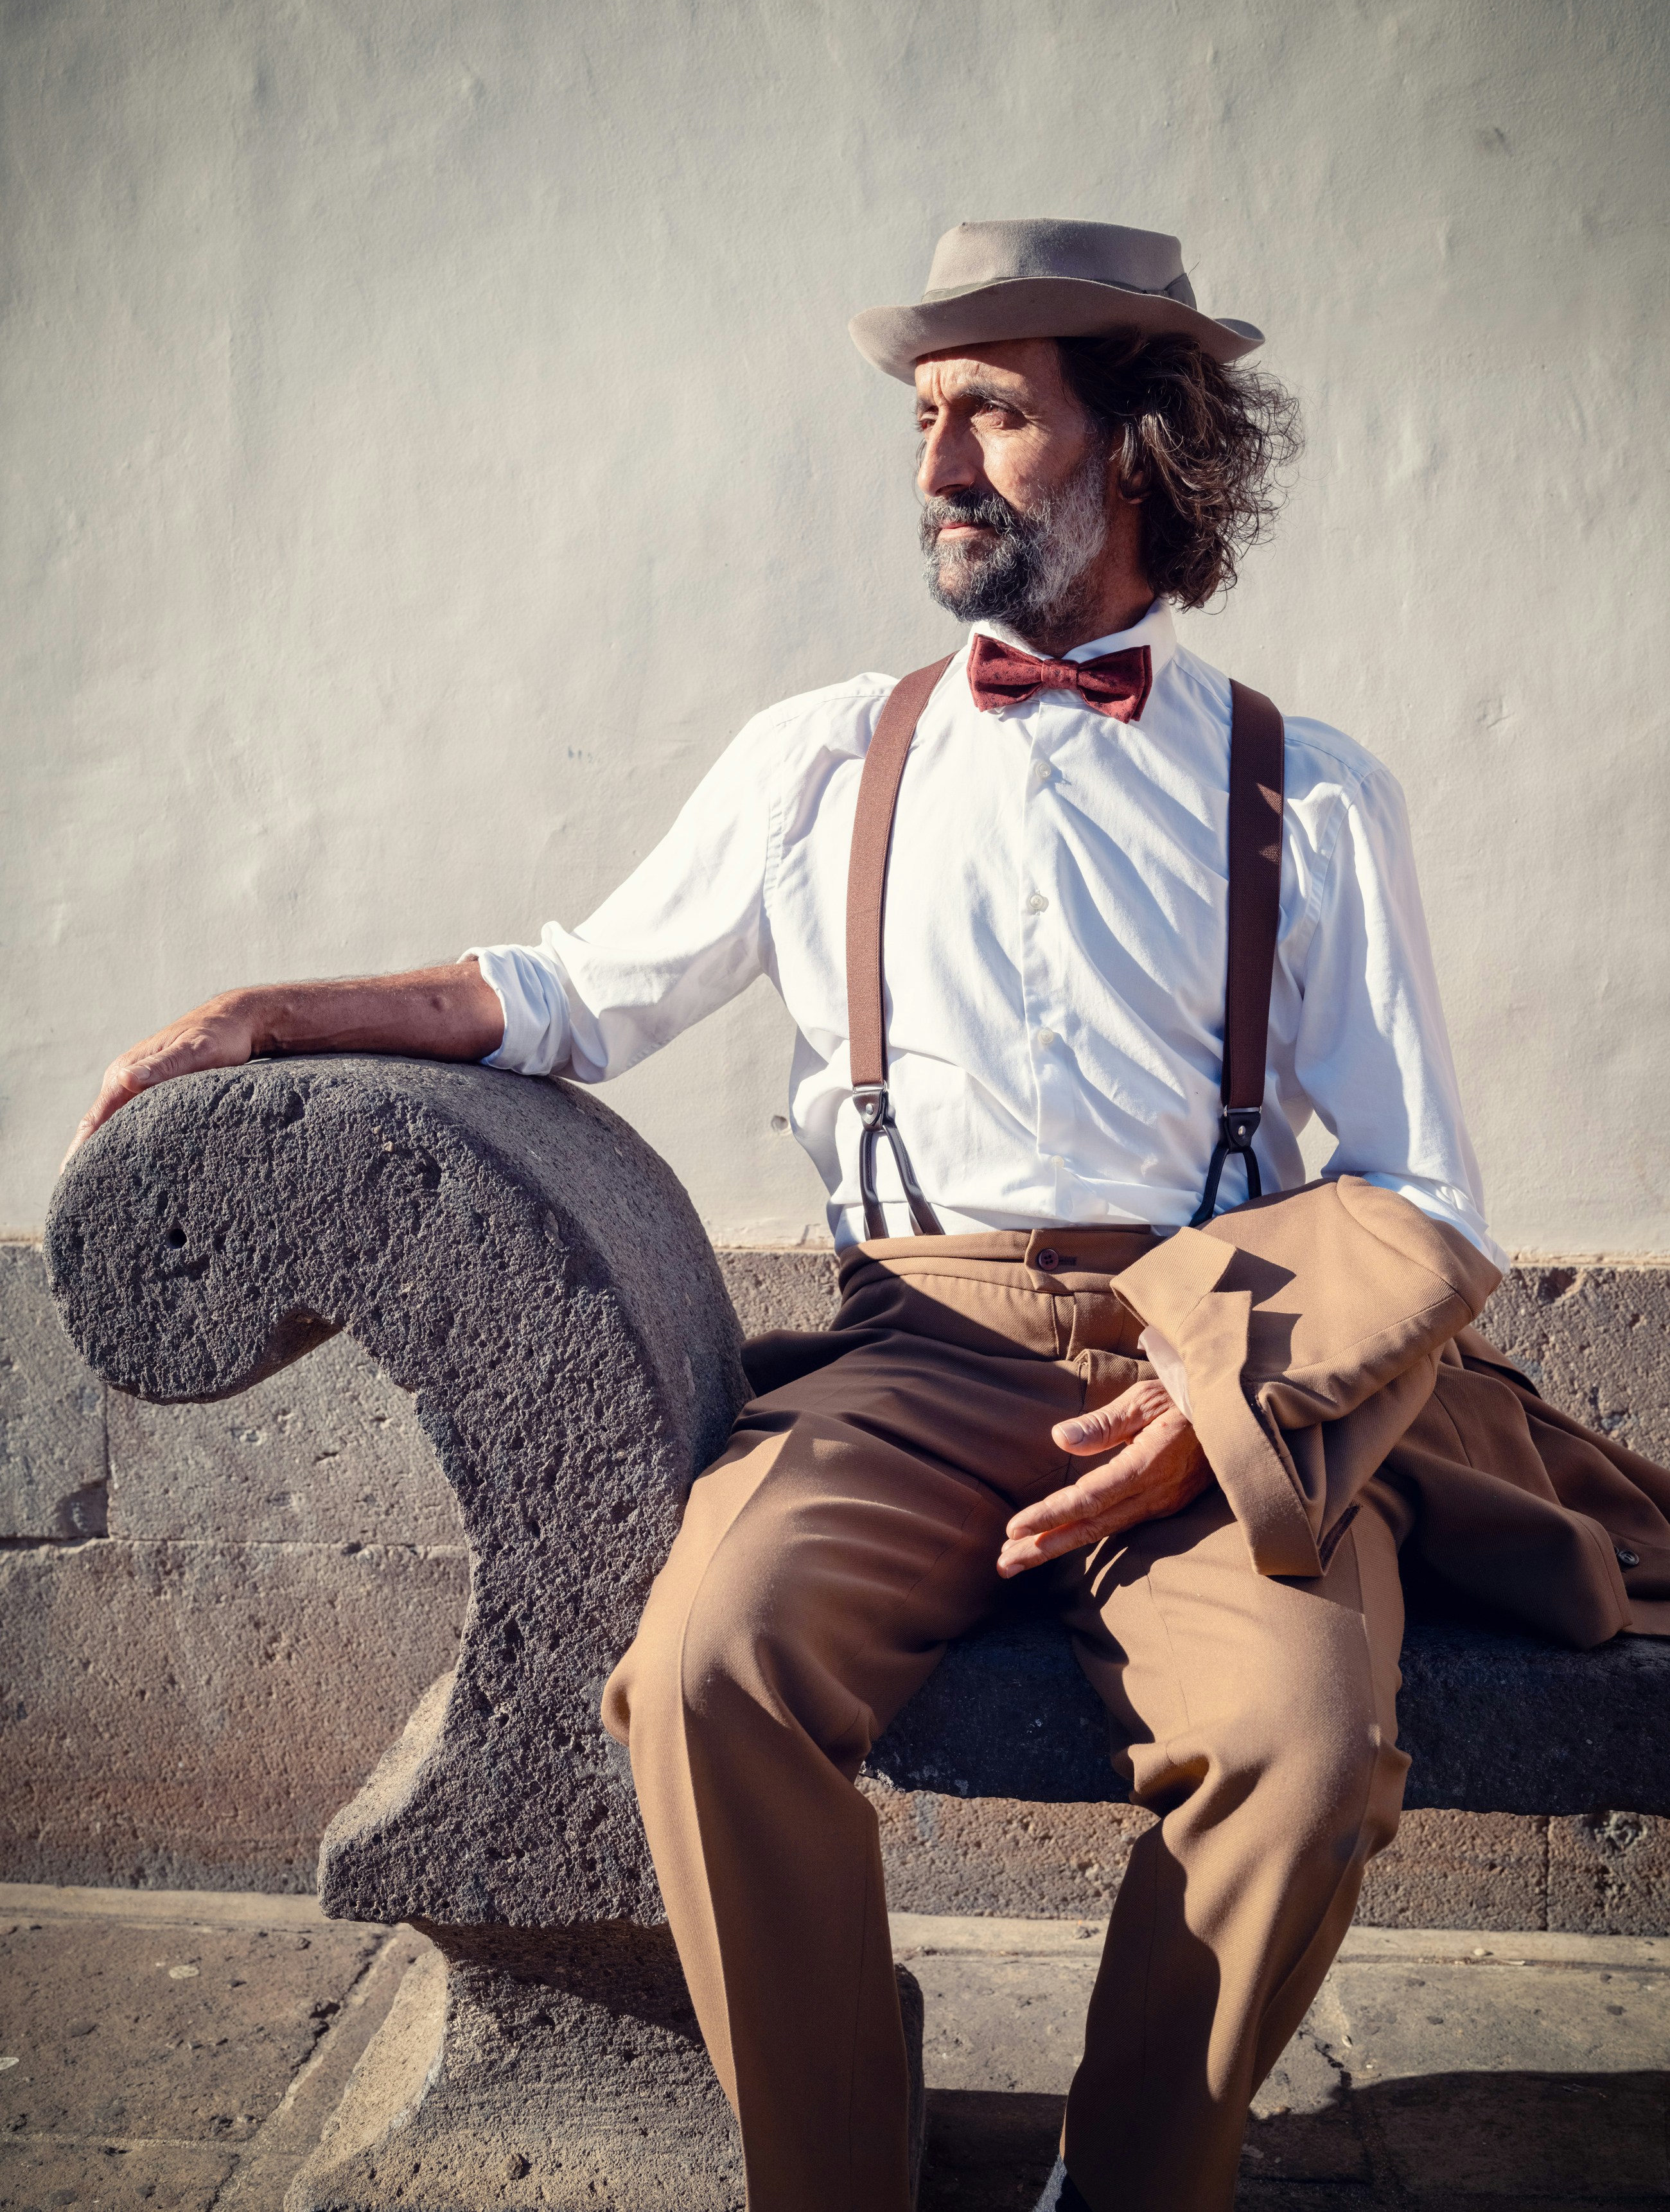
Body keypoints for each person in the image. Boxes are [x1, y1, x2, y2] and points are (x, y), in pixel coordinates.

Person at [67, 218, 1670, 2212]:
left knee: (1314, 1753)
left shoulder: (1308, 793)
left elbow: (1425, 1193)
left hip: (1213, 1372)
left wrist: (1223, 1409)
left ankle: (1135, 2168)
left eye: (991, 414)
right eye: (925, 417)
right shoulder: (828, 753)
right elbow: (566, 993)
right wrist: (269, 1012)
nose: (932, 467)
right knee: (703, 1670)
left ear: (1143, 445)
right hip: (913, 1354)